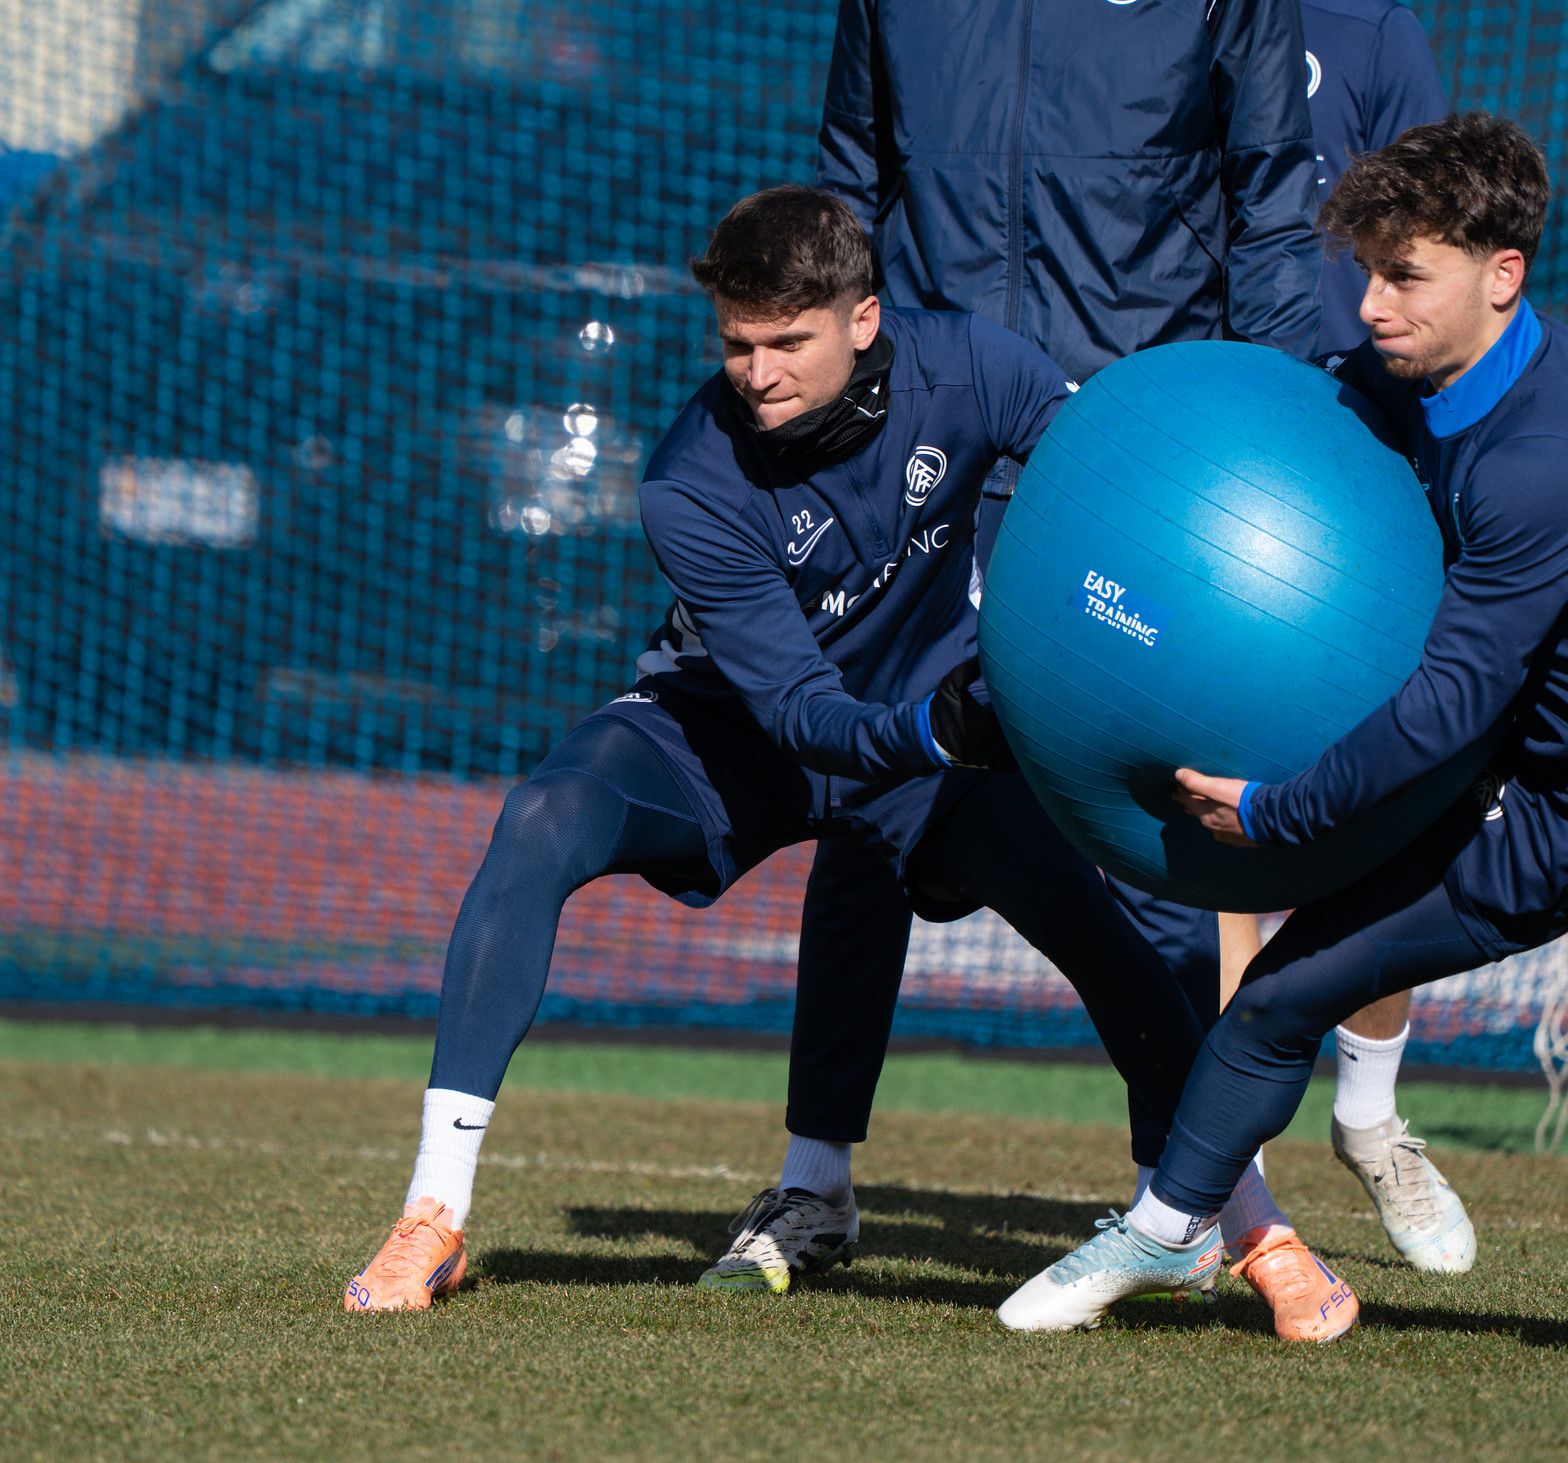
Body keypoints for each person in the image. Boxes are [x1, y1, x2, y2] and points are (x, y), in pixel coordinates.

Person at [1000, 114, 1568, 1396]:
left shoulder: (1549, 458)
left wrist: (1279, 809)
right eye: (1366, 271)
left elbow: (1449, 701)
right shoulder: (1406, 384)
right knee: (1284, 991)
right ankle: (1161, 1231)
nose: (1372, 303)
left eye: (1405, 276)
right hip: (1553, 799)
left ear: (1500, 275)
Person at [341, 185, 1290, 1312]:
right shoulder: (687, 480)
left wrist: (1138, 630)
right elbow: (799, 712)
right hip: (737, 734)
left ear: (863, 317)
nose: (758, 372)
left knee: (1105, 932)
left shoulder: (974, 364)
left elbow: (1105, 485)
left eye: (788, 339)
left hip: (930, 743)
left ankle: (1238, 1225)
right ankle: (432, 1214)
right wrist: (937, 726)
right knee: (540, 817)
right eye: (737, 344)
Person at [729, 0, 1361, 1343]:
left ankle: (1198, 1203)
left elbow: (1265, 197)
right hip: (926, 445)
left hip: (1126, 461)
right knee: (872, 793)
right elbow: (849, 186)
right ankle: (815, 1179)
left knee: (1157, 828)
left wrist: (1279, 420)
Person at [1297, 0, 1475, 1277]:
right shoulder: (1124, 26)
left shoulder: (1363, 24)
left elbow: (1427, 220)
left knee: (1388, 788)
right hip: (1201, 417)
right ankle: (1214, 1172)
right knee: (1201, 789)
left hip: (1355, 435)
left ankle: (1366, 1114)